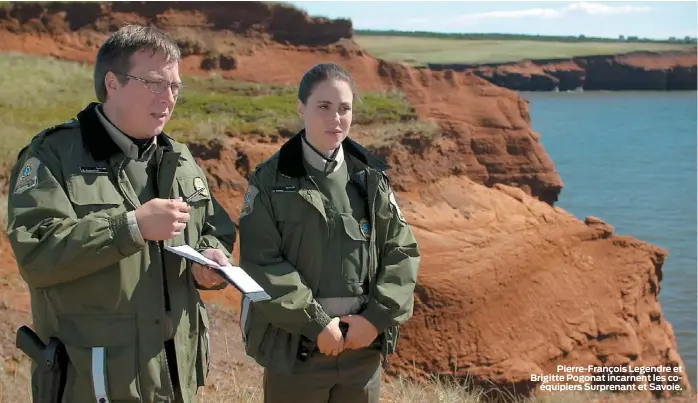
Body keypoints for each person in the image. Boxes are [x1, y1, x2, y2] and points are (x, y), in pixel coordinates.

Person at [5, 25, 237, 403]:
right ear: (112, 84)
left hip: (175, 379)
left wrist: (209, 262)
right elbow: (37, 252)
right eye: (154, 83)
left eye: (175, 86)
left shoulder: (179, 159)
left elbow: (214, 229)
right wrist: (132, 227)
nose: (168, 98)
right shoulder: (51, 157)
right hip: (95, 382)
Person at [237, 62, 421, 403]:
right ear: (301, 107)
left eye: (344, 108)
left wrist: (376, 318)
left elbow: (402, 250)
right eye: (323, 106)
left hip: (361, 353)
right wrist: (317, 323)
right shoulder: (270, 182)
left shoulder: (371, 179)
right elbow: (260, 261)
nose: (335, 118)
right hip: (296, 352)